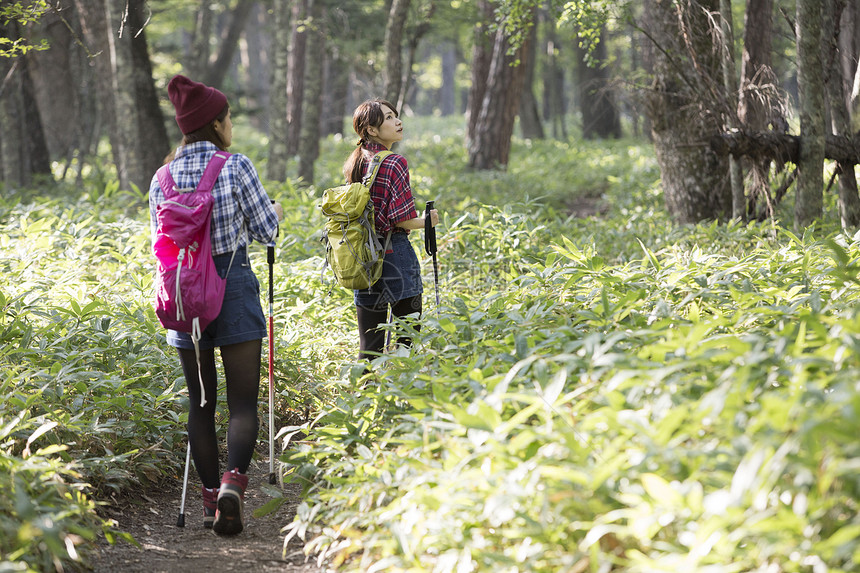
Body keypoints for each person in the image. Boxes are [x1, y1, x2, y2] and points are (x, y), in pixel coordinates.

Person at [148, 74, 283, 535]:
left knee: (200, 402)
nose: (231, 125)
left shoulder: (161, 178)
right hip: (234, 286)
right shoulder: (235, 166)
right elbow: (267, 231)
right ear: (216, 123)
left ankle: (208, 502)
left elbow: (159, 243)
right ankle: (233, 486)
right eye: (228, 118)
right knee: (243, 403)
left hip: (185, 297)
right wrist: (274, 212)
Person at [344, 98, 439, 361]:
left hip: (363, 257)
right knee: (406, 341)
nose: (397, 121)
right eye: (387, 118)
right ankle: (399, 397)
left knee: (370, 346)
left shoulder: (355, 162)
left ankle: (365, 396)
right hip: (395, 255)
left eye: (395, 115)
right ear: (371, 130)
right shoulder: (395, 162)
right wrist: (428, 221)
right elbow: (402, 221)